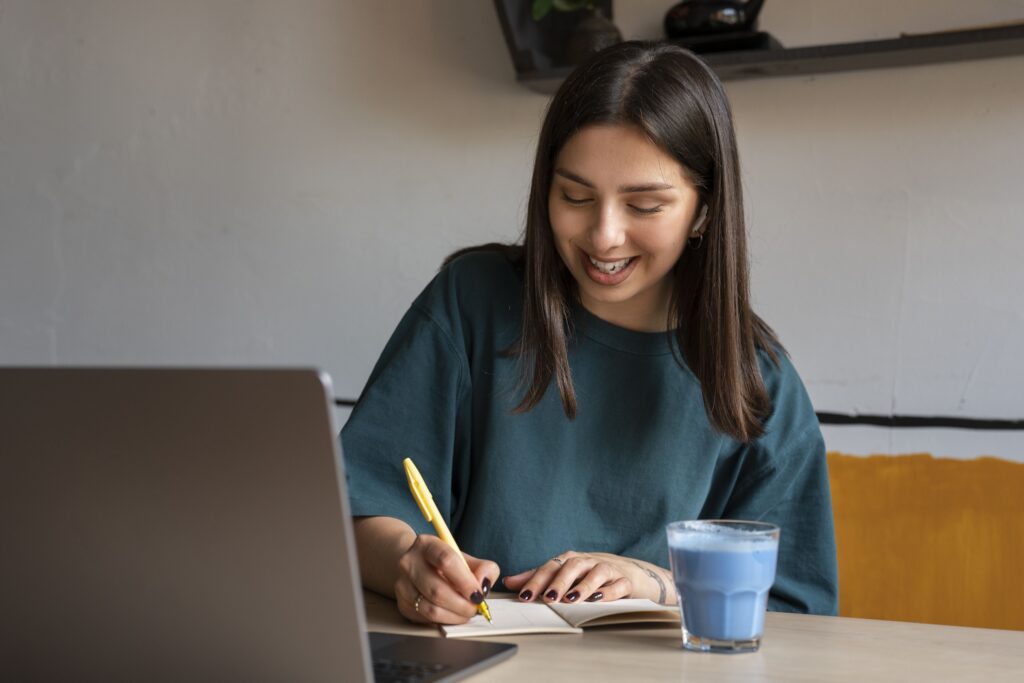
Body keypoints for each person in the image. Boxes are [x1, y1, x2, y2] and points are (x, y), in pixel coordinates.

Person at [342, 41, 838, 625]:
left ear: (704, 210)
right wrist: (407, 562)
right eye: (575, 196)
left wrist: (655, 583)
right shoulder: (471, 302)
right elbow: (353, 512)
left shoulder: (758, 380)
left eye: (645, 206)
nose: (604, 236)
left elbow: (797, 614)